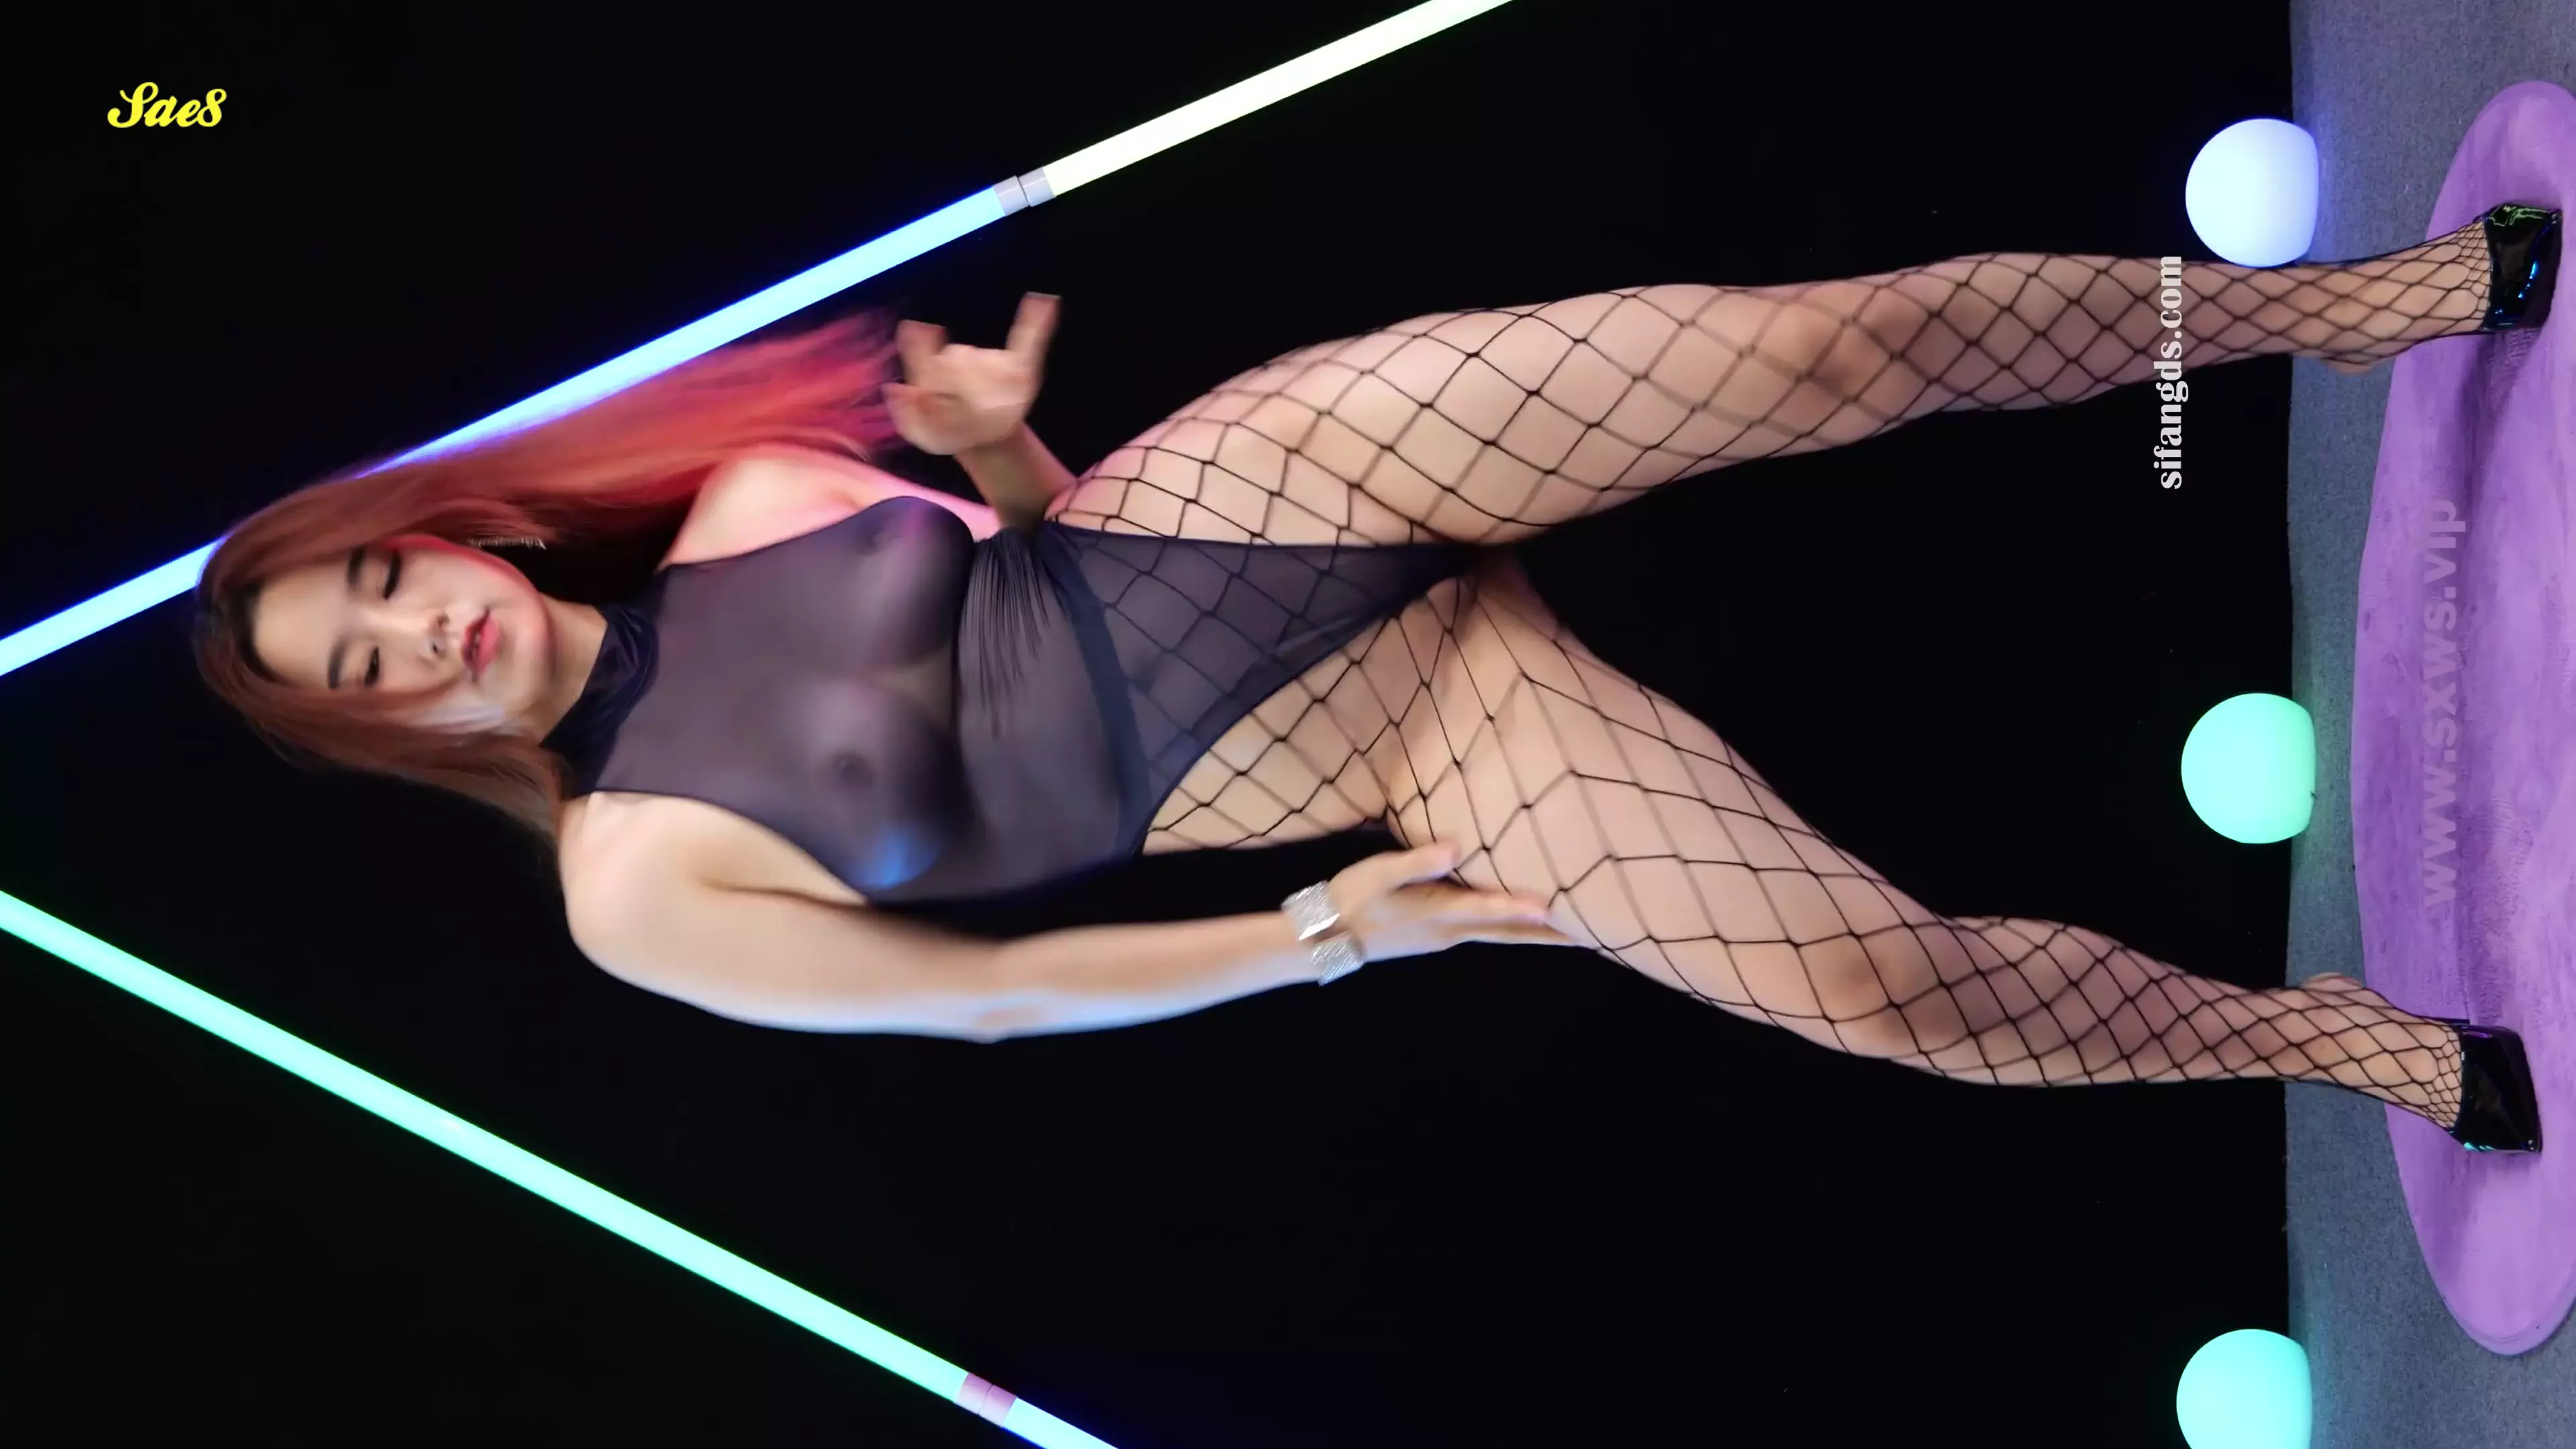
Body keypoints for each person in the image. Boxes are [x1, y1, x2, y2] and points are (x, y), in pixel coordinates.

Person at [195, 204, 2559, 1152]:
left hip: (1293, 483)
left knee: (1833, 349)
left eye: (384, 577)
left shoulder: (747, 498)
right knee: (1878, 988)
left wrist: (1006, 454)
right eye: (365, 671)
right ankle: (2338, 1040)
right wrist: (1318, 932)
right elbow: (985, 997)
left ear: (456, 531)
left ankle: (2371, 307)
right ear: (389, 739)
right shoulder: (629, 882)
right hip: (1406, 736)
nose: (418, 634)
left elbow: (1038, 592)